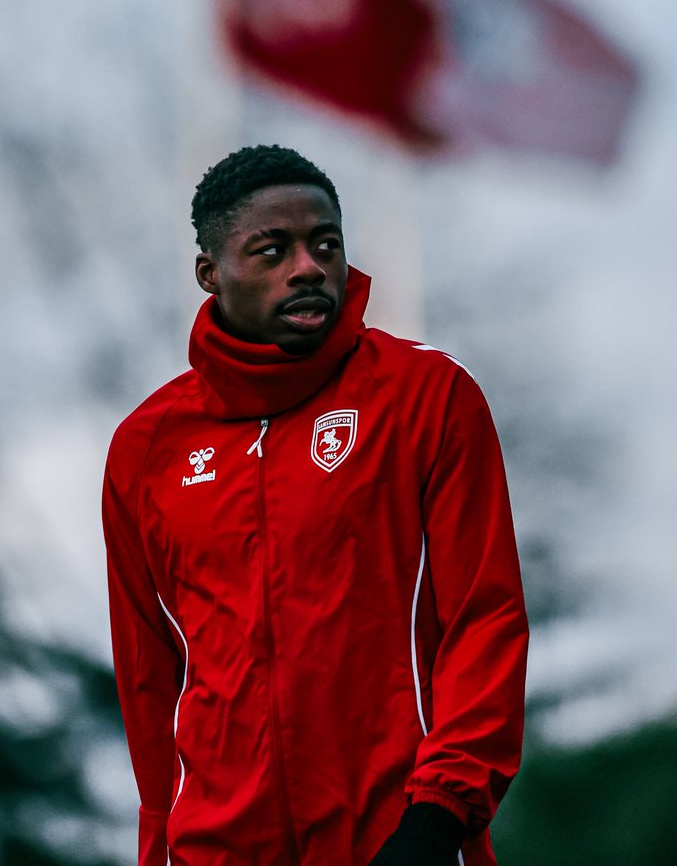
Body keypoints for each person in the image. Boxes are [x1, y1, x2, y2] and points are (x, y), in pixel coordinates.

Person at [103, 144, 528, 866]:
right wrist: (158, 849)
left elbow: (485, 620)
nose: (308, 267)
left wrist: (437, 820)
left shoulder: (427, 397)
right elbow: (150, 680)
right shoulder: (145, 450)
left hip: (401, 841)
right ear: (211, 274)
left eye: (324, 243)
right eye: (271, 250)